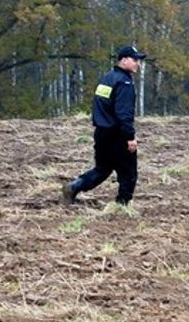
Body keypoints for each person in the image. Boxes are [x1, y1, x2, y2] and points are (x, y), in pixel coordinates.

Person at [62, 45, 146, 206]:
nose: (138, 64)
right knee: (128, 173)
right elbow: (124, 114)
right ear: (124, 60)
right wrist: (130, 137)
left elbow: (100, 106)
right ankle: (123, 206)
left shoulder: (107, 78)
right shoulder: (124, 83)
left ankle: (74, 186)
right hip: (117, 135)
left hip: (101, 133)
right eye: (135, 60)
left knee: (102, 169)